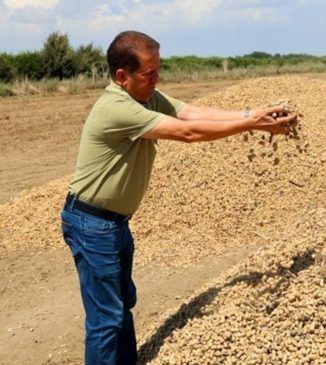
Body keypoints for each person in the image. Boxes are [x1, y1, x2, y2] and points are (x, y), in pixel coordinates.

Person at [60, 30, 297, 365]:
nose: (157, 79)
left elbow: (191, 114)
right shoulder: (117, 108)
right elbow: (187, 133)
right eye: (149, 73)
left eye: (159, 70)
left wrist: (252, 114)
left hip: (112, 223)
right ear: (122, 77)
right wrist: (251, 124)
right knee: (106, 320)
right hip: (92, 223)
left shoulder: (145, 96)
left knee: (119, 305)